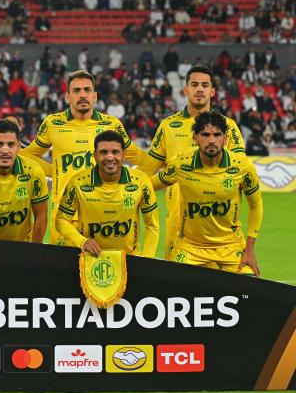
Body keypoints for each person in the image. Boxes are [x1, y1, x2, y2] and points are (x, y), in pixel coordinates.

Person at [22, 70, 146, 245]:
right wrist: (53, 171)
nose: (82, 95)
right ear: (67, 97)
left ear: (95, 96)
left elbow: (139, 158)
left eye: (87, 90)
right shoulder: (53, 123)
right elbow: (28, 155)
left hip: (101, 214)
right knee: (63, 270)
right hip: (63, 215)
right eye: (77, 90)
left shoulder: (111, 124)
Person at [138, 65, 246, 260]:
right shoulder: (169, 126)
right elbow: (146, 169)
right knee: (177, 283)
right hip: (177, 219)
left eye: (205, 85)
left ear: (212, 91)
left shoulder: (228, 127)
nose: (199, 89)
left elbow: (241, 171)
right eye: (194, 84)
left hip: (218, 223)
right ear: (185, 90)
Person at [150, 112, 262, 276]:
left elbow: (256, 205)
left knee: (249, 289)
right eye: (205, 135)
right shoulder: (181, 165)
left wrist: (250, 251)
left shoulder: (242, 167)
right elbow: (149, 185)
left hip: (231, 246)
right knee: (176, 288)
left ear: (225, 138)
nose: (211, 140)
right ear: (195, 138)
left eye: (217, 135)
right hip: (190, 247)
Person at [55, 131, 159, 257]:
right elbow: (61, 220)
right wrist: (83, 241)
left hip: (129, 259)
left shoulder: (141, 181)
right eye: (103, 152)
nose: (110, 157)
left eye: (115, 152)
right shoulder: (77, 182)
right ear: (94, 155)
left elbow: (152, 226)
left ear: (124, 155)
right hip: (90, 258)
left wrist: (146, 260)